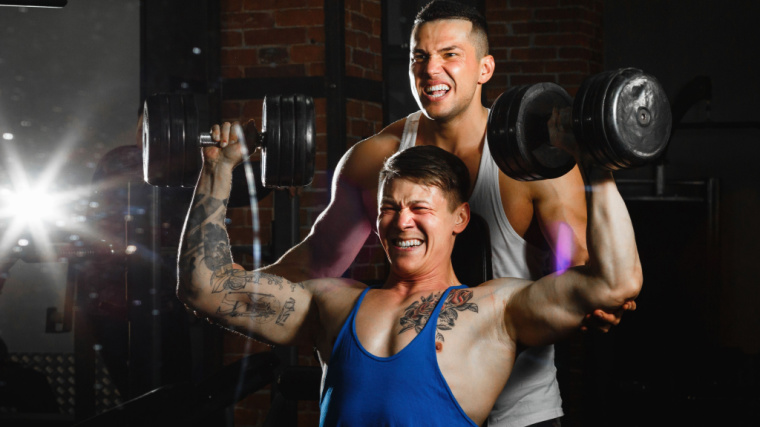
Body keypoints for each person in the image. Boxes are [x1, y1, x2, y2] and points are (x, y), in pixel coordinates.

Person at [210, 1, 631, 425]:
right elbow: (316, 262)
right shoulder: (375, 158)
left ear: (485, 68)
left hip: (520, 411)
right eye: (419, 56)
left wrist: (595, 298)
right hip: (416, 409)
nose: (431, 70)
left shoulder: (540, 162)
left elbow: (577, 264)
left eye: (450, 54)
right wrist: (224, 288)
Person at [177, 140, 641, 426]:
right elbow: (205, 287)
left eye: (420, 208)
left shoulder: (495, 310)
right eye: (389, 208)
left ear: (460, 218)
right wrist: (217, 171)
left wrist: (599, 168)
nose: (402, 222)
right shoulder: (332, 304)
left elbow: (615, 282)